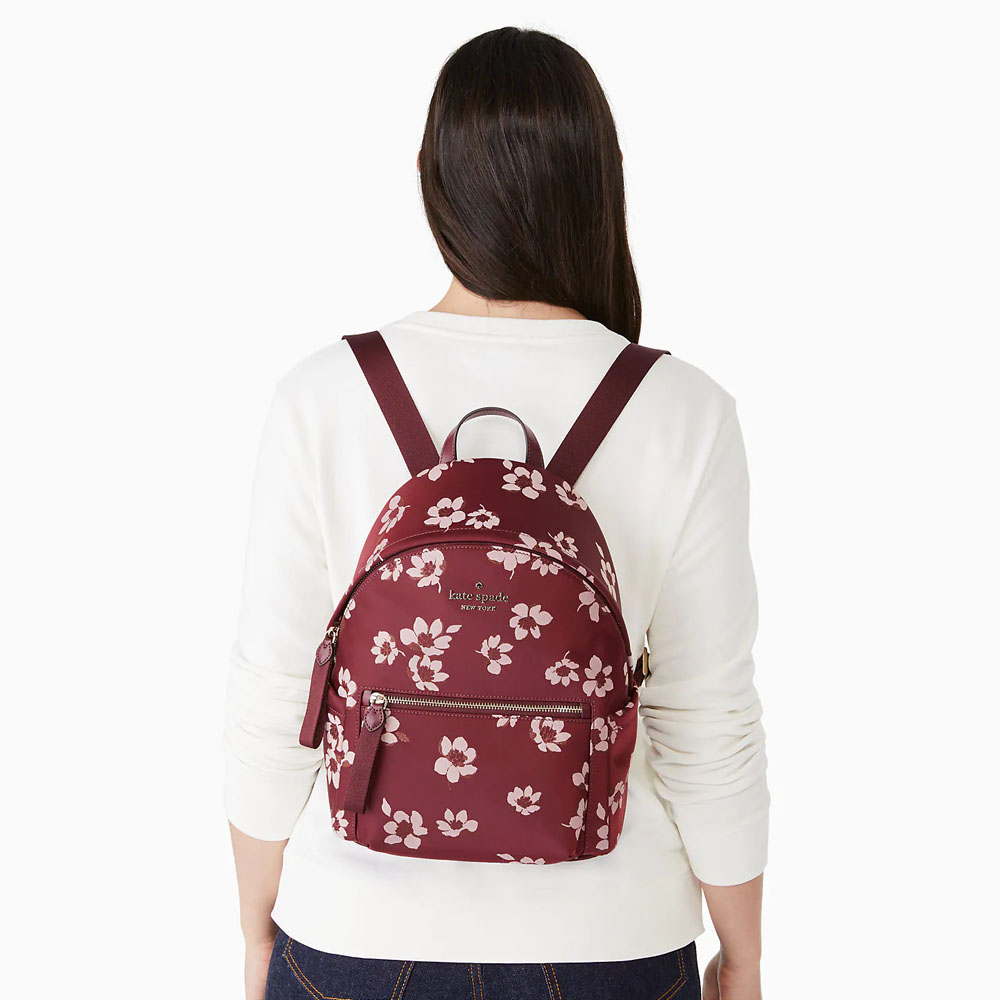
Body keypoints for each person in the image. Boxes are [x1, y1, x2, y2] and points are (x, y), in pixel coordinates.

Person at [225, 26, 768, 1000]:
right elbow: (708, 719)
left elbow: (274, 699)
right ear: (604, 179)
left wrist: (257, 924)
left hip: (354, 929)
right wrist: (743, 952)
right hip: (611, 936)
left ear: (428, 178)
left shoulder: (323, 394)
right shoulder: (684, 409)